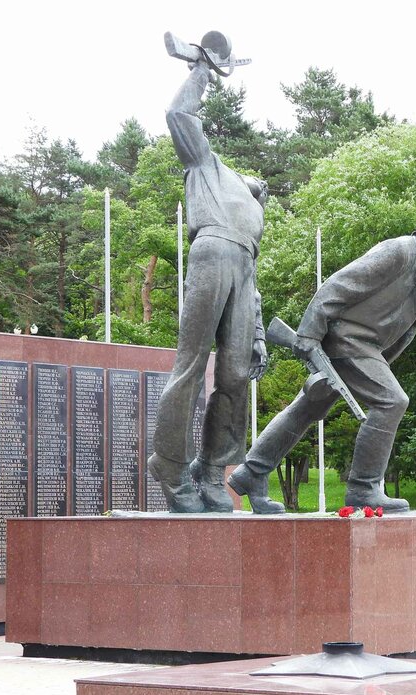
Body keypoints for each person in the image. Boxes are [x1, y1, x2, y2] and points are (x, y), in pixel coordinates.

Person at [228, 201, 416, 514]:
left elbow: (405, 329)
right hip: (347, 340)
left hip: (366, 347)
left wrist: (384, 361)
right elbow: (341, 283)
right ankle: (364, 488)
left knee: (307, 408)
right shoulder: (401, 251)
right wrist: (309, 333)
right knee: (392, 401)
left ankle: (251, 472)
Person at [147, 51, 268, 513]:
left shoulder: (255, 208)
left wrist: (258, 334)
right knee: (192, 364)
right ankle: (171, 467)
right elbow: (178, 113)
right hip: (211, 251)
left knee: (236, 375)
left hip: (242, 265)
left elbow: (253, 280)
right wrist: (203, 69)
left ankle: (213, 470)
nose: (262, 185)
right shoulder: (208, 165)